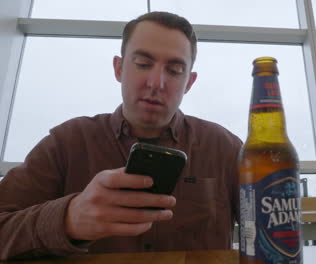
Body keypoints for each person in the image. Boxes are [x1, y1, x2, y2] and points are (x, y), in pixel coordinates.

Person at [0, 11, 242, 260]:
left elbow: (275, 232)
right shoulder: (66, 143)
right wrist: (68, 219)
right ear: (118, 68)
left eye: (174, 70)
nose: (156, 82)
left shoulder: (225, 149)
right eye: (143, 64)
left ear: (189, 83)